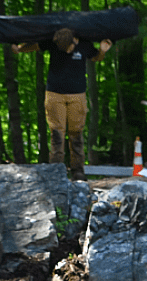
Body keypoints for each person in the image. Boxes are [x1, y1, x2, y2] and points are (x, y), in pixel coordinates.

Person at [15, 29, 112, 178]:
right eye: (63, 49)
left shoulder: (84, 45)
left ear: (74, 40)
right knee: (57, 135)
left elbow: (96, 58)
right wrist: (19, 49)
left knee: (76, 134)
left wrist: (102, 50)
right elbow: (35, 46)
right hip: (54, 95)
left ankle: (78, 171)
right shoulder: (55, 42)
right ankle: (56, 172)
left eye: (69, 48)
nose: (67, 51)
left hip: (77, 96)